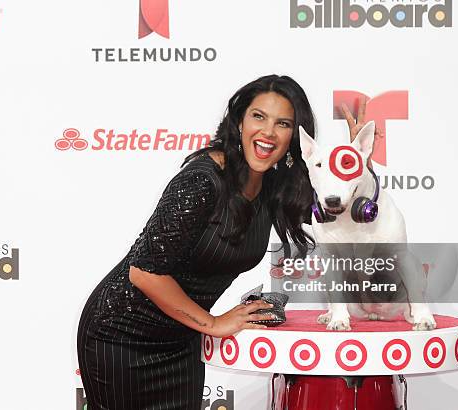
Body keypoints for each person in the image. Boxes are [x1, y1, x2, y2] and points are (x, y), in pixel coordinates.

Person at [76, 74, 319, 410]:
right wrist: (215, 324)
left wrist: (353, 162)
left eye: (283, 123)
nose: (268, 132)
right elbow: (144, 273)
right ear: (239, 122)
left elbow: (337, 214)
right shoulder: (202, 181)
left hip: (181, 339)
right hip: (122, 335)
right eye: (258, 117)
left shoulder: (274, 186)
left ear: (294, 136)